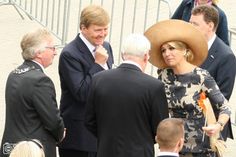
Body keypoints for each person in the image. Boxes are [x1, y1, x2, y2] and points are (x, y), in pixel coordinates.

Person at [144, 19, 231, 157]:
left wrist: (218, 126)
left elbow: (224, 107)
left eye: (172, 48)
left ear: (184, 51)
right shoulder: (163, 75)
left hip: (200, 149)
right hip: (172, 148)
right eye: (163, 50)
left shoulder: (201, 76)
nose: (167, 53)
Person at [85, 33, 169, 157]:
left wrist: (107, 137)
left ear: (122, 55)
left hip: (106, 151)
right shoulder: (154, 86)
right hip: (140, 152)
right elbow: (161, 128)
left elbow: (89, 120)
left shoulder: (98, 79)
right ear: (146, 56)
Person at [58, 5, 114, 157]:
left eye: (105, 29)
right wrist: (98, 65)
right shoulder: (70, 54)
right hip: (79, 137)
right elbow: (82, 93)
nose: (102, 34)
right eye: (98, 30)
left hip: (102, 133)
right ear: (83, 28)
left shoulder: (106, 46)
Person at [0, 28, 65, 157]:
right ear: (38, 53)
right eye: (52, 48)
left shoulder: (14, 74)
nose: (55, 52)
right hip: (33, 149)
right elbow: (52, 120)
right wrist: (60, 133)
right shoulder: (41, 80)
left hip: (12, 147)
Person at [190, 5, 236, 141]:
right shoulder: (189, 46)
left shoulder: (226, 56)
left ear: (210, 26)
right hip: (187, 125)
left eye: (195, 24)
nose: (190, 27)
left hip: (210, 127)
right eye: (190, 23)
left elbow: (222, 96)